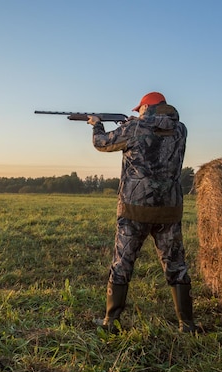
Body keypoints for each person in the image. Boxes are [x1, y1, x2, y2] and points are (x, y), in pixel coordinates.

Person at [87, 92, 196, 333]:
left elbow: (102, 143)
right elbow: (155, 133)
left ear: (147, 106)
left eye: (141, 109)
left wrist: (97, 125)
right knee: (176, 265)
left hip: (134, 210)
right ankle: (187, 324)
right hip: (169, 210)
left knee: (122, 263)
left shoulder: (134, 128)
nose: (138, 113)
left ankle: (110, 322)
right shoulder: (181, 130)